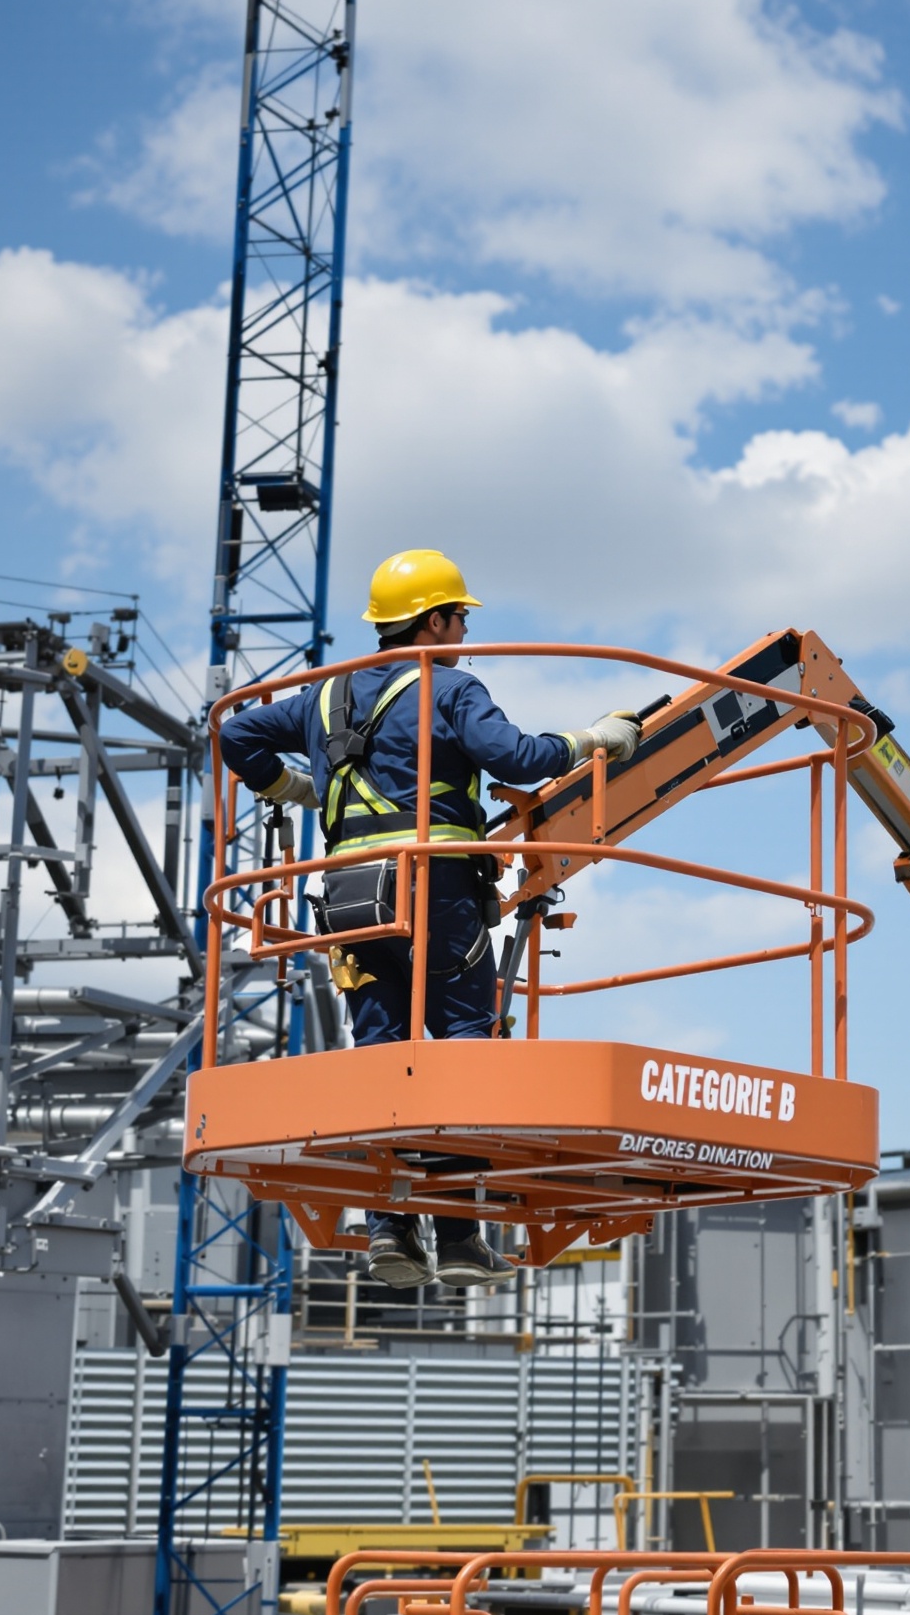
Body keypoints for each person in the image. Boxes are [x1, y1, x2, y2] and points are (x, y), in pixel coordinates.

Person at [219, 549, 645, 1290]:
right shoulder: (451, 687)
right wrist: (591, 740)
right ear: (435, 620)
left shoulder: (323, 697)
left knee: (381, 1047)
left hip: (349, 893)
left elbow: (234, 735)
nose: (465, 633)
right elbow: (513, 757)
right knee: (461, 1050)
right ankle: (455, 1235)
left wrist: (291, 785)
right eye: (460, 619)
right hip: (437, 888)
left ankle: (389, 1231)